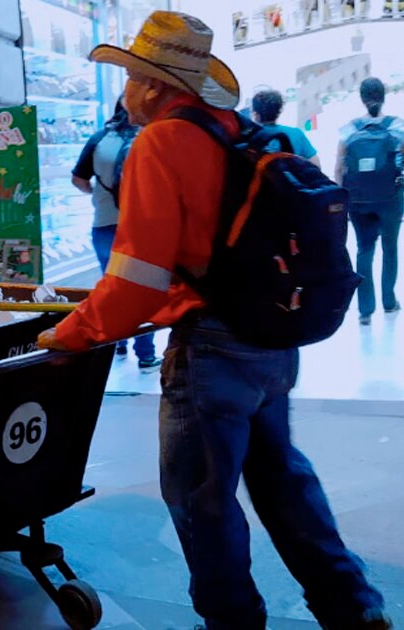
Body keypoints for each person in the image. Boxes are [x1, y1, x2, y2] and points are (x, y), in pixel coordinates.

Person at [38, 11, 390, 629]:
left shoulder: (161, 144)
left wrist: (70, 333)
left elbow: (135, 281)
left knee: (202, 498)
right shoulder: (238, 132)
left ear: (151, 85)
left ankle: (232, 622)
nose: (124, 89)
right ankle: (353, 606)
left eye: (129, 77)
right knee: (284, 480)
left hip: (214, 350)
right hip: (275, 337)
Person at [71, 100, 161, 371]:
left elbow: (78, 178)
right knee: (142, 288)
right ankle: (145, 354)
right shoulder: (149, 139)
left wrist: (100, 196)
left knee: (112, 285)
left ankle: (117, 343)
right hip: (139, 226)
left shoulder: (99, 139)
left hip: (104, 225)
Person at [335, 77, 404, 325]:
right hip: (390, 198)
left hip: (358, 201)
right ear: (383, 96)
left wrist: (342, 200)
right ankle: (389, 301)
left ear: (362, 99)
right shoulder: (397, 127)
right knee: (390, 247)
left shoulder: (349, 130)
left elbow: (339, 168)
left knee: (364, 249)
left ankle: (365, 310)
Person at [250, 88, 322, 166]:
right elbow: (316, 165)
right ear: (279, 111)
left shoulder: (250, 137)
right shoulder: (296, 133)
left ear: (255, 114)